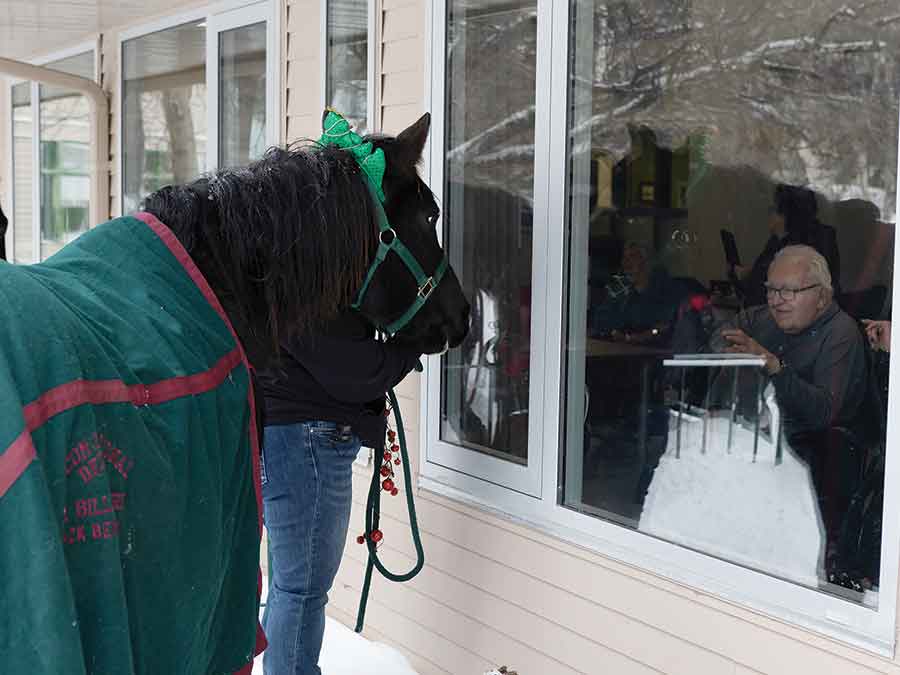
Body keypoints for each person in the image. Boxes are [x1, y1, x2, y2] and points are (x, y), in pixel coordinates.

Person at [258, 312, 423, 675]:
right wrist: (413, 343)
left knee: (291, 587)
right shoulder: (305, 285)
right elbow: (354, 370)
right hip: (307, 442)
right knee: (301, 590)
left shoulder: (285, 274)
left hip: (289, 436)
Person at [714, 245, 867, 579]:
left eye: (788, 291)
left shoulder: (841, 334)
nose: (775, 299)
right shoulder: (763, 320)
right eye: (770, 289)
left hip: (811, 470)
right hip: (753, 450)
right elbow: (721, 334)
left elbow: (824, 414)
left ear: (822, 297)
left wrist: (773, 366)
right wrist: (722, 342)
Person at [732, 184, 840, 307]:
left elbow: (764, 290)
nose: (769, 215)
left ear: (785, 215)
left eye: (773, 209)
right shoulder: (782, 240)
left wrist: (750, 277)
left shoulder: (799, 250)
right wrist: (750, 272)